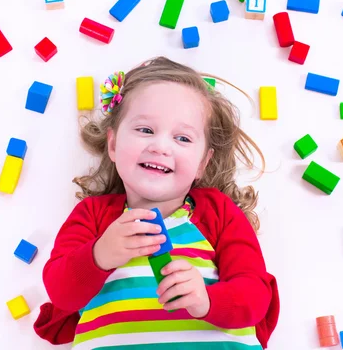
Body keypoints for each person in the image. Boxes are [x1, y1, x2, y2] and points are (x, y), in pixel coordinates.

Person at [34, 57, 280, 349]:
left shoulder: (219, 213)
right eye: (146, 130)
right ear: (113, 144)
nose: (161, 146)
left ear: (203, 162)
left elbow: (255, 296)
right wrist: (100, 255)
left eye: (183, 138)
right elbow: (61, 293)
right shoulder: (93, 215)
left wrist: (207, 300)